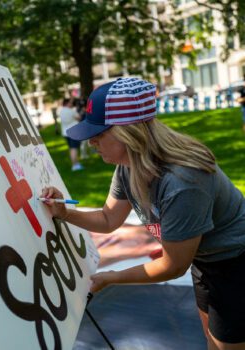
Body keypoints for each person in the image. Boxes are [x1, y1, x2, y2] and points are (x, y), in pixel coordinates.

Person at [42, 77, 245, 349]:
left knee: (226, 344)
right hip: (205, 259)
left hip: (234, 262)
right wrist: (63, 212)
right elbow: (108, 218)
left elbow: (172, 265)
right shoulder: (129, 165)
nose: (91, 143)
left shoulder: (182, 182)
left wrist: (112, 278)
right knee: (211, 337)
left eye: (98, 134)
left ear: (130, 132)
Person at [58, 98, 83, 171]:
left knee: (71, 148)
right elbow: (79, 118)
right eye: (70, 102)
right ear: (67, 103)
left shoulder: (61, 111)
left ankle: (76, 164)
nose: (71, 104)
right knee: (74, 149)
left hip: (65, 133)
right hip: (73, 132)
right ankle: (75, 165)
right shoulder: (71, 111)